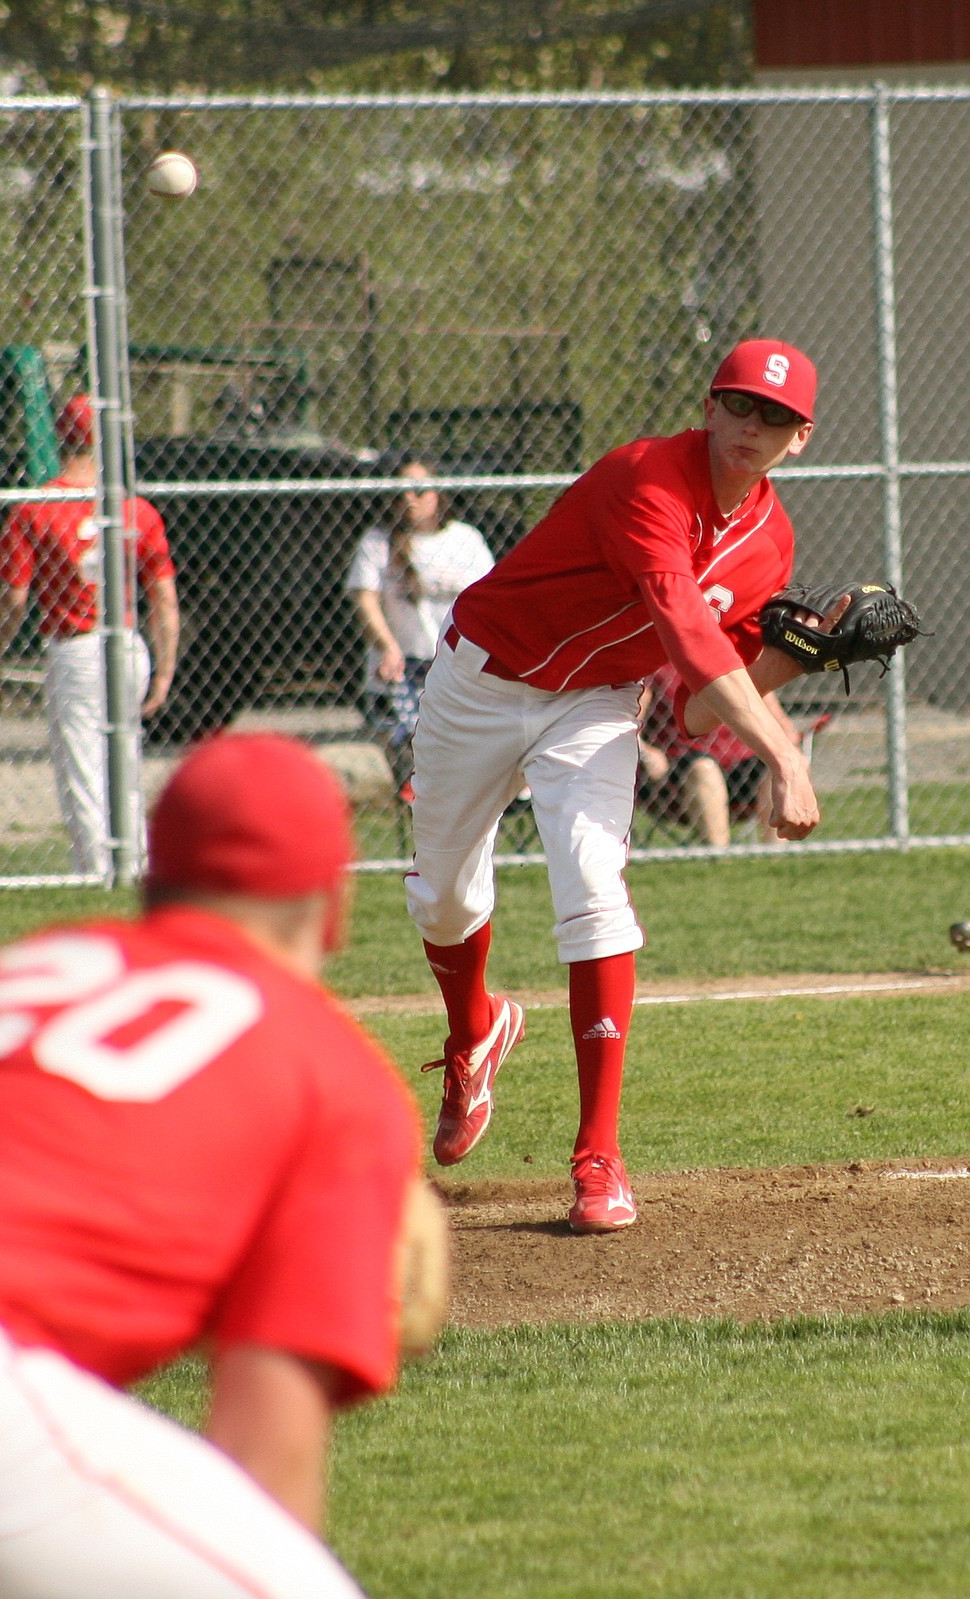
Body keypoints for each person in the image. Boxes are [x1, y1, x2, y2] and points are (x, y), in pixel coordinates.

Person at [0, 732, 429, 1599]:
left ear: (151, 884)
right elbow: (265, 1459)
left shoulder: (18, 969)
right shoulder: (334, 1068)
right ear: (333, 906)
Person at [406, 338, 834, 1234]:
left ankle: (598, 1156)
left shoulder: (771, 543)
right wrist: (788, 758)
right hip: (480, 681)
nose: (756, 426)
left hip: (596, 706)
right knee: (443, 901)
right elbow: (686, 635)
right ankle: (474, 1031)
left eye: (779, 418)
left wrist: (800, 657)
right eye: (743, 405)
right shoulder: (646, 477)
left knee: (594, 888)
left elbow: (706, 693)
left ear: (801, 440)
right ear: (710, 406)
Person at [0, 393, 180, 876]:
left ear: (61, 435)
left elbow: (13, 598)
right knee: (124, 765)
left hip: (77, 648)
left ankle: (97, 874)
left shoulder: (38, 507)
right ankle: (135, 867)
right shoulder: (135, 509)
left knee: (84, 773)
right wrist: (165, 670)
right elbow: (165, 600)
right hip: (129, 642)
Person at [347, 458, 494, 800]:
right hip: (404, 671)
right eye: (401, 492)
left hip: (455, 667)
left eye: (419, 490)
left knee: (464, 769)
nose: (409, 499)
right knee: (419, 778)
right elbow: (364, 598)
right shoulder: (378, 541)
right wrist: (387, 646)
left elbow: (488, 601)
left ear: (438, 493)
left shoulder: (465, 539)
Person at [636, 663, 800, 846]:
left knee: (778, 766)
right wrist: (647, 754)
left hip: (742, 771)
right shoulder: (656, 666)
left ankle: (775, 858)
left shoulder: (738, 662)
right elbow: (631, 729)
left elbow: (786, 729)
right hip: (678, 777)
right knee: (704, 769)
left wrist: (790, 756)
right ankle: (719, 858)